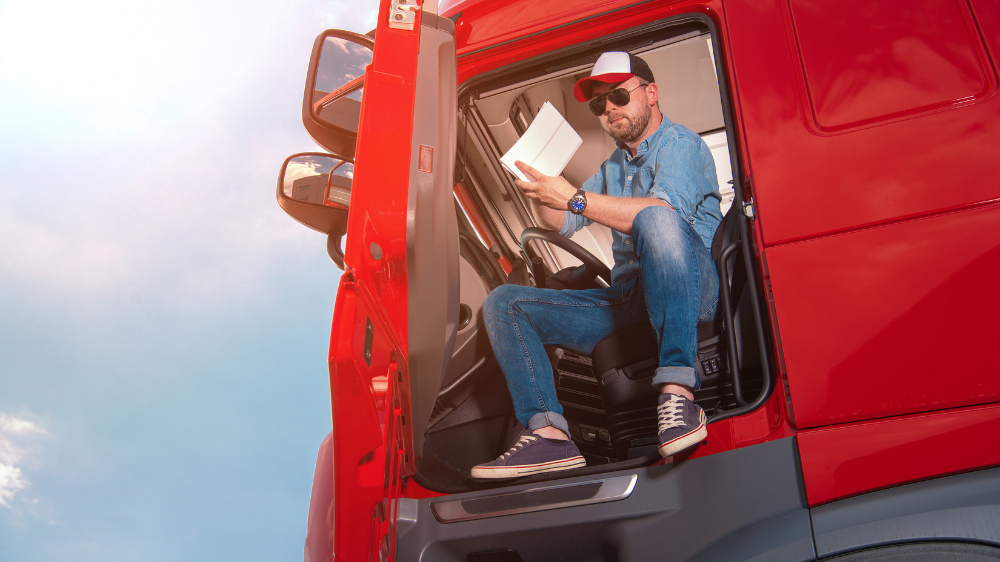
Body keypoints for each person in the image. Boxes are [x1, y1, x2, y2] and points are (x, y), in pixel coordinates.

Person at [470, 51, 723, 479]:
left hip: (689, 288)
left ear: (652, 94)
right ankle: (549, 436)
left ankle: (678, 393)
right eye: (599, 104)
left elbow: (661, 213)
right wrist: (544, 189)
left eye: (619, 96)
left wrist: (574, 197)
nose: (609, 109)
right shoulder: (613, 167)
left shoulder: (682, 145)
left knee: (655, 217)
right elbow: (564, 220)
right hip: (628, 299)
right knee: (504, 304)